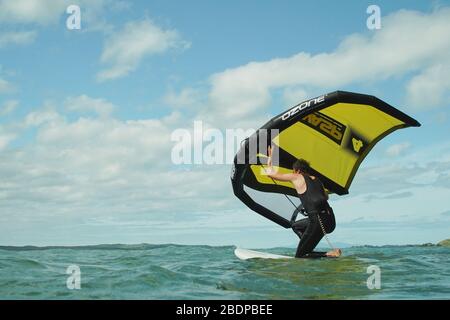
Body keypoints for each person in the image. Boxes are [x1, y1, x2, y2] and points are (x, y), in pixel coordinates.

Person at [266, 146, 341, 258]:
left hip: (317, 220)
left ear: (297, 170)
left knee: (300, 256)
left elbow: (270, 173)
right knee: (296, 226)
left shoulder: (297, 176)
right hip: (330, 220)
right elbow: (325, 197)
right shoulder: (318, 180)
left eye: (293, 171)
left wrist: (270, 157)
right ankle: (308, 247)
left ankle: (329, 254)